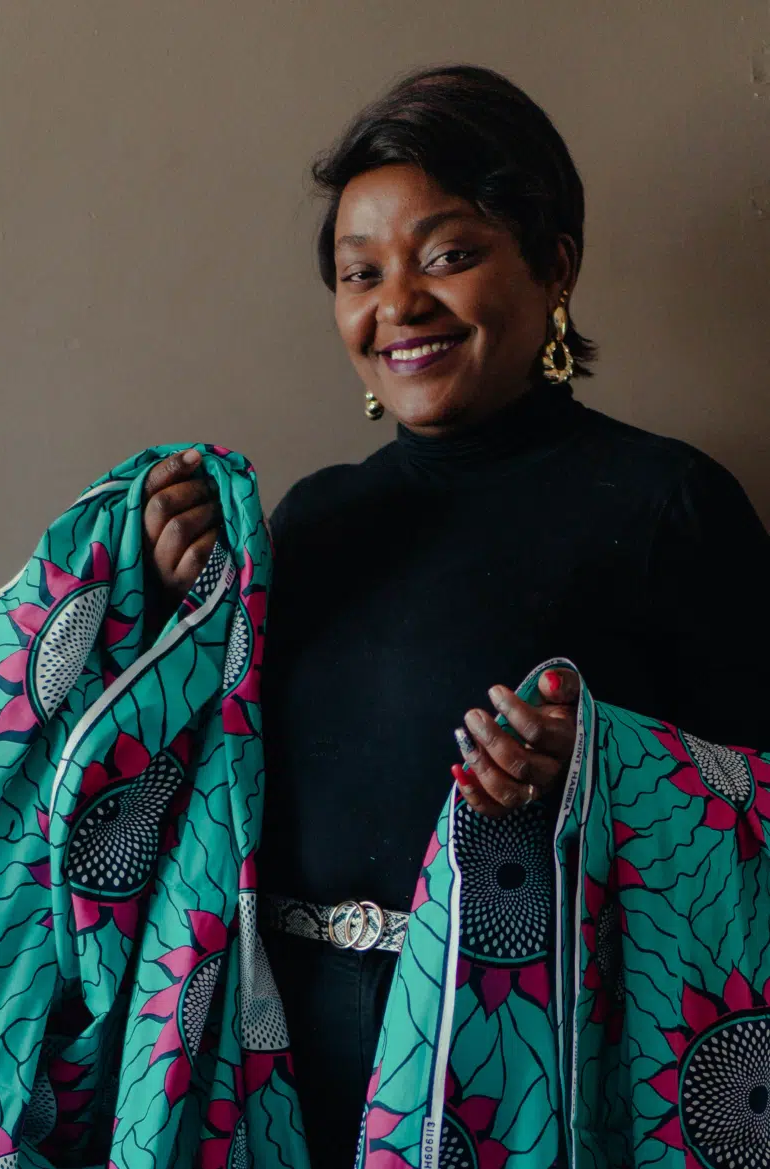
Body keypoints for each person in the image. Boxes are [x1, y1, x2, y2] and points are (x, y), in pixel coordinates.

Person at [141, 65, 770, 1166]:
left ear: (555, 264)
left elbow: (759, 801)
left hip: (519, 1084)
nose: (399, 305)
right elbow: (209, 788)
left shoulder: (671, 502)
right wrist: (168, 609)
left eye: (449, 255)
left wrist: (605, 769)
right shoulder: (312, 518)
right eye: (359, 273)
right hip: (274, 1078)